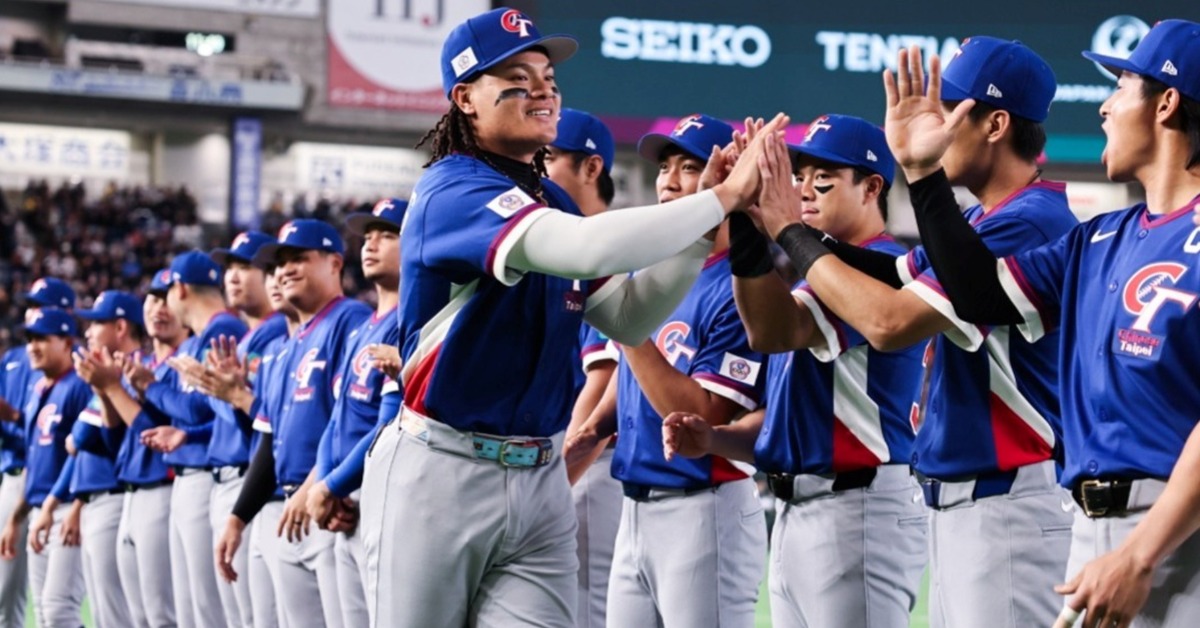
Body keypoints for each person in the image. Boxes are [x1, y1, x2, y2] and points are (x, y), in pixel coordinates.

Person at [361, 7, 782, 627]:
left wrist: (701, 230)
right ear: (465, 98)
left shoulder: (551, 197)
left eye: (548, 77)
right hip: (443, 469)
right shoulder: (452, 187)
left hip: (541, 476)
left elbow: (629, 317)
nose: (543, 89)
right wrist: (720, 198)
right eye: (516, 76)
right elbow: (586, 249)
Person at [872, 21, 1200, 628]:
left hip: (1175, 536)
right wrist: (921, 174)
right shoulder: (1102, 236)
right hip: (1092, 531)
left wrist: (1140, 553)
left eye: (1121, 87)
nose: (1104, 106)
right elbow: (978, 293)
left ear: (1166, 103)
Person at [753, 38, 1079, 627]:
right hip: (969, 504)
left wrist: (788, 231)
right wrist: (779, 225)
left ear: (996, 124)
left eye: (948, 109)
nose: (931, 123)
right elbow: (893, 272)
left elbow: (889, 322)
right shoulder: (982, 217)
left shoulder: (1031, 222)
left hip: (1010, 503)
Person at [665, 115, 928, 627]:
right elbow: (791, 423)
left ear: (871, 187)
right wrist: (717, 439)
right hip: (803, 508)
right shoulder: (818, 270)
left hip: (858, 507)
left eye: (823, 176)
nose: (803, 189)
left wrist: (758, 224)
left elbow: (773, 330)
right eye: (799, 174)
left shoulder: (879, 263)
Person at [572, 113, 770, 627]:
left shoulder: (740, 289)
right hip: (633, 505)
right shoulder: (655, 273)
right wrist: (588, 435)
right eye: (665, 167)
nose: (670, 181)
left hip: (704, 507)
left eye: (689, 167)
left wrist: (627, 327)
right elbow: (624, 390)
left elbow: (702, 417)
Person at [223, 219, 371, 628]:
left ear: (334, 263)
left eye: (299, 258)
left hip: (333, 503)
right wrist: (238, 517)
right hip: (291, 506)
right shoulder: (291, 343)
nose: (285, 269)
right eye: (280, 262)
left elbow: (350, 422)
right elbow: (270, 442)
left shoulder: (350, 319)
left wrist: (322, 486)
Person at [169, 231, 286, 628]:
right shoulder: (251, 334)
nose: (234, 276)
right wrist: (222, 396)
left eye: (246, 266)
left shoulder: (269, 332)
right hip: (237, 483)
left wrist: (222, 392)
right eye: (230, 267)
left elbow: (265, 421)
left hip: (257, 482)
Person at [302, 200, 405, 627]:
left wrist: (329, 486)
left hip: (379, 493)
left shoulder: (410, 323)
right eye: (368, 237)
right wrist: (326, 484)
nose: (371, 244)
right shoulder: (363, 329)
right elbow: (336, 419)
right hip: (341, 498)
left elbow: (388, 426)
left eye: (387, 235)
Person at [141, 251, 247, 628]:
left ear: (181, 289)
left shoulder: (223, 330)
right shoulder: (204, 336)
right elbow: (201, 413)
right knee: (194, 610)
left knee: (212, 611)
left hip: (219, 474)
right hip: (204, 476)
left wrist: (151, 388)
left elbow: (201, 410)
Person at [545, 108, 622, 628]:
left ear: (591, 168)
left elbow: (601, 387)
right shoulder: (559, 249)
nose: (536, 168)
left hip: (589, 466)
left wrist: (552, 485)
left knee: (586, 613)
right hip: (559, 461)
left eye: (548, 157)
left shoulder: (612, 251)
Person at [56, 290, 146, 628]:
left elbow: (81, 438)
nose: (89, 332)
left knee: (124, 614)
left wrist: (107, 391)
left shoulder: (132, 370)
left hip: (118, 495)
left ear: (120, 327)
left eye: (97, 324)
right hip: (107, 499)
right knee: (106, 614)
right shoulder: (106, 375)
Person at [0, 308, 90, 627]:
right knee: (43, 612)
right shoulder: (40, 389)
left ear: (67, 343)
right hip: (40, 509)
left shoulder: (79, 385)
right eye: (29, 339)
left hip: (67, 508)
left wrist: (78, 507)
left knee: (58, 610)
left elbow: (88, 452)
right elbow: (35, 464)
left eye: (42, 339)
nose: (32, 347)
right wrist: (16, 519)